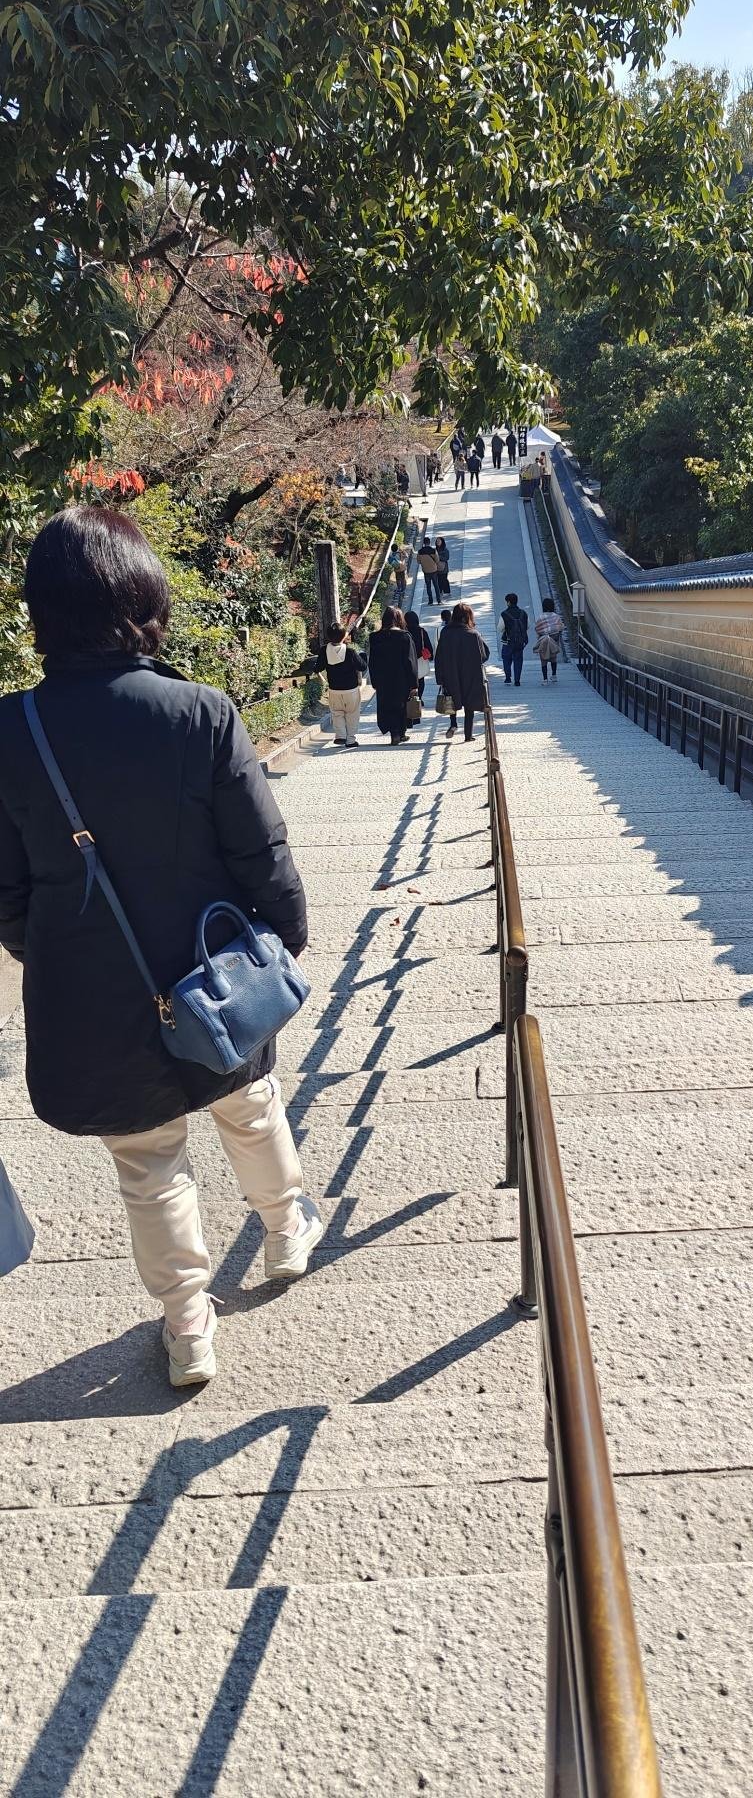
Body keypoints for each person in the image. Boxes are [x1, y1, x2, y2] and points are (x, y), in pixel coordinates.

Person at [0, 506, 320, 1390]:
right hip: (212, 979)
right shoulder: (200, 713)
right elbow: (263, 852)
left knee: (147, 1164)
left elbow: (8, 893)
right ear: (143, 597)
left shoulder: (11, 731)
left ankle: (188, 1328)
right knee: (250, 1105)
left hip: (92, 996)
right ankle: (286, 1232)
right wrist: (280, 942)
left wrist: (54, 953)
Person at [434, 602, 488, 742]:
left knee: (452, 699)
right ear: (467, 617)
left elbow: (438, 656)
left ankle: (453, 724)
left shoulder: (445, 632)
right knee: (469, 705)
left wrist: (439, 677)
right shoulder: (473, 634)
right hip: (470, 674)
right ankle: (468, 735)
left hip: (450, 673)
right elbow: (484, 655)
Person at [367, 605, 419, 745]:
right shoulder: (404, 636)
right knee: (401, 705)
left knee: (386, 705)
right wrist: (414, 683)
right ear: (399, 619)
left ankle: (394, 732)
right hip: (401, 678)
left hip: (383, 678)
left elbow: (372, 661)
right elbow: (410, 661)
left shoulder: (375, 637)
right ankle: (400, 733)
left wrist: (374, 680)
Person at [317, 622, 363, 746]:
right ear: (344, 636)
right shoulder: (350, 652)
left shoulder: (324, 650)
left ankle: (340, 736)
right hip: (351, 690)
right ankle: (351, 740)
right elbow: (362, 666)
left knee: (337, 713)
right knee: (352, 714)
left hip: (334, 690)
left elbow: (318, 667)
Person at [499, 592, 529, 688]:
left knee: (506, 659)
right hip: (520, 641)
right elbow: (528, 626)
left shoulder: (504, 614)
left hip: (507, 641)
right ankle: (517, 680)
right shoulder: (523, 613)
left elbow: (500, 628)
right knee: (518, 660)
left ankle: (508, 678)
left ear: (508, 602)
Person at [404, 609, 434, 700]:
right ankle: (419, 698)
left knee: (407, 679)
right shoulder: (421, 631)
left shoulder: (404, 632)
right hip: (419, 659)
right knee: (420, 679)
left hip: (407, 659)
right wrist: (430, 656)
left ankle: (409, 697)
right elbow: (428, 645)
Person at [534, 596, 565, 682]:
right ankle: (554, 675)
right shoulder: (556, 617)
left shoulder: (540, 617)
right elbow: (561, 627)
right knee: (553, 658)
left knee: (543, 660)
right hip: (554, 640)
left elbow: (537, 629)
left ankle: (545, 679)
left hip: (543, 640)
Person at [417, 536, 442, 605]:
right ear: (429, 542)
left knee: (428, 586)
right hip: (434, 570)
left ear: (424, 543)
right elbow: (437, 560)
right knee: (436, 586)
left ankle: (430, 601)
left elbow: (418, 561)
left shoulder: (420, 552)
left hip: (426, 571)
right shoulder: (433, 550)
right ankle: (439, 600)